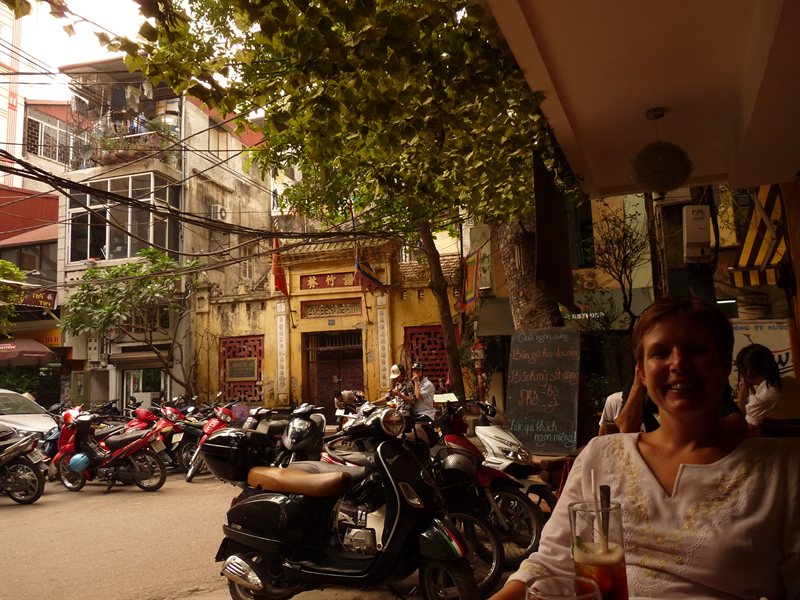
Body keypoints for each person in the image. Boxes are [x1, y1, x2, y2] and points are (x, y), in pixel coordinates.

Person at [490, 297, 800, 600]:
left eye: (696, 350)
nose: (678, 363)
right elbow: (551, 562)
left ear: (723, 364)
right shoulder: (602, 455)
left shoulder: (782, 469)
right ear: (641, 373)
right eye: (661, 353)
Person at [735, 343, 800, 431]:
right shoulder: (792, 382)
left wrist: (741, 399)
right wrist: (753, 393)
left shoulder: (759, 401)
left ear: (748, 371)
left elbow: (743, 430)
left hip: (776, 444)